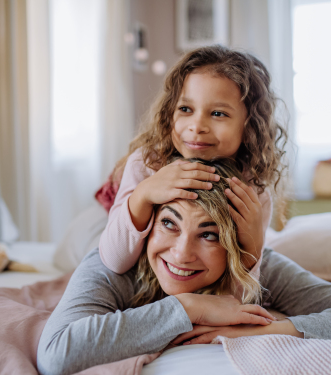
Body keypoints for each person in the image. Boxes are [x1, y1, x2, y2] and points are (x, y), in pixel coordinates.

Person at [37, 159, 331, 375]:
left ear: (234, 245)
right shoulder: (113, 265)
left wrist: (268, 329)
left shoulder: (256, 268)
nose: (182, 253)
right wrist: (189, 308)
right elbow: (57, 358)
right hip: (94, 233)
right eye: (170, 223)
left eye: (209, 233)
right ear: (151, 222)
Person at [98, 45, 287, 283]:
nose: (197, 126)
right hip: (109, 217)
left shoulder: (254, 192)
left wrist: (252, 248)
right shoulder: (147, 164)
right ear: (169, 113)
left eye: (218, 113)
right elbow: (114, 261)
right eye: (185, 109)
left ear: (249, 127)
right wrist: (143, 194)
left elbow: (240, 298)